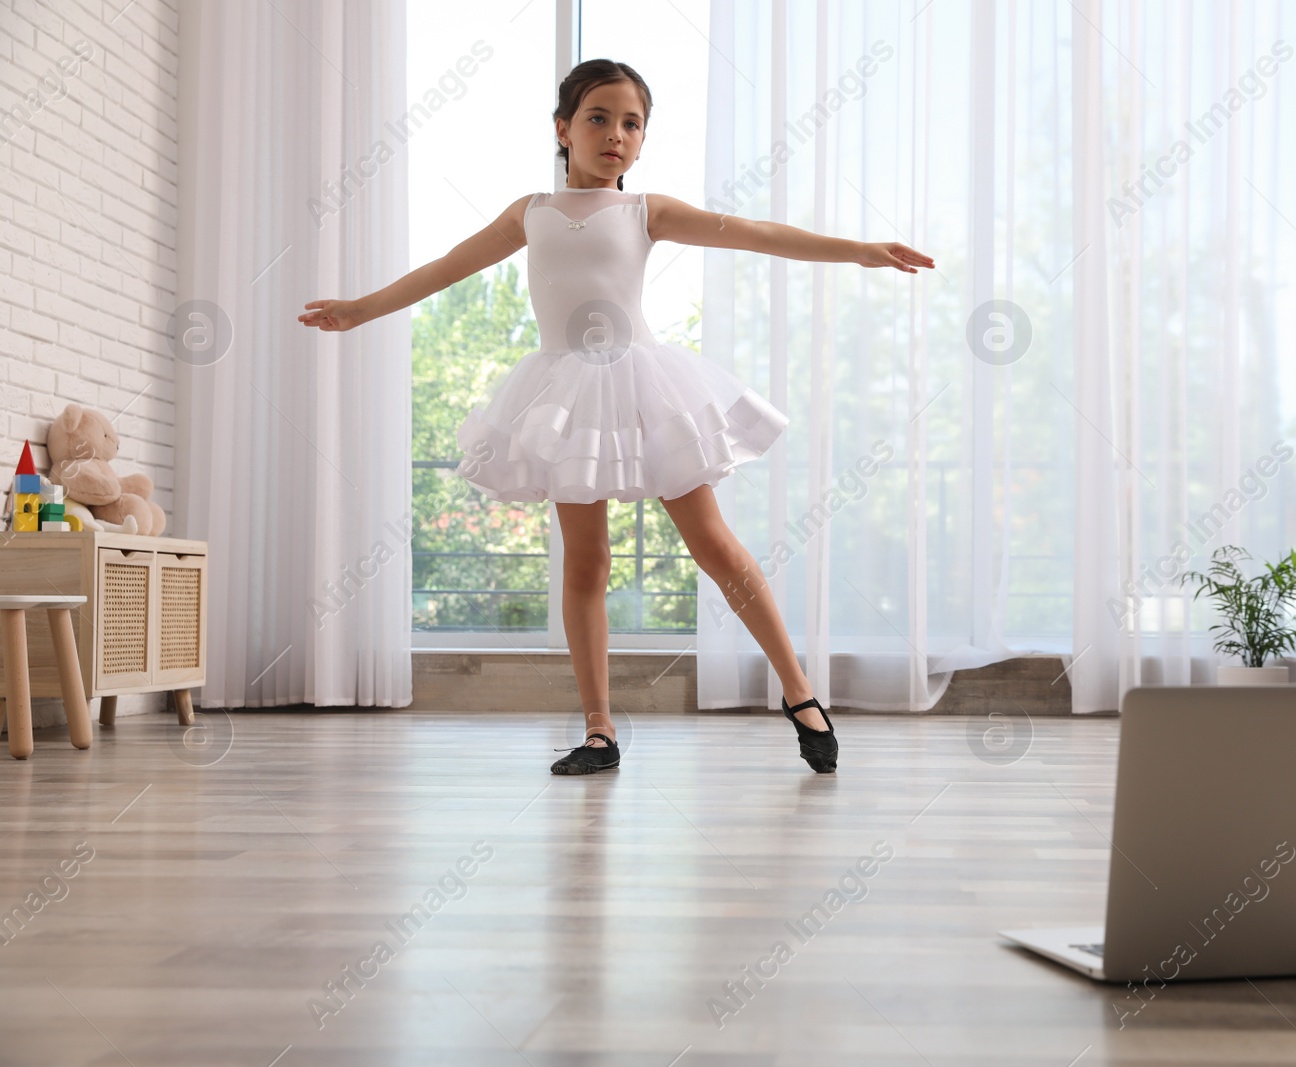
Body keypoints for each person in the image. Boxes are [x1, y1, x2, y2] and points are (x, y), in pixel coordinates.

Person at [299, 59, 934, 776]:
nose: (616, 134)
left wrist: (858, 251)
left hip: (644, 387)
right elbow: (445, 267)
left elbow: (752, 232)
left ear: (642, 140)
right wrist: (358, 309)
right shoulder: (529, 211)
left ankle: (800, 692)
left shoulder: (644, 211)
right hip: (564, 398)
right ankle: (600, 730)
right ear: (563, 129)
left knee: (716, 547)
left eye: (632, 123)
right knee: (587, 561)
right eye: (599, 118)